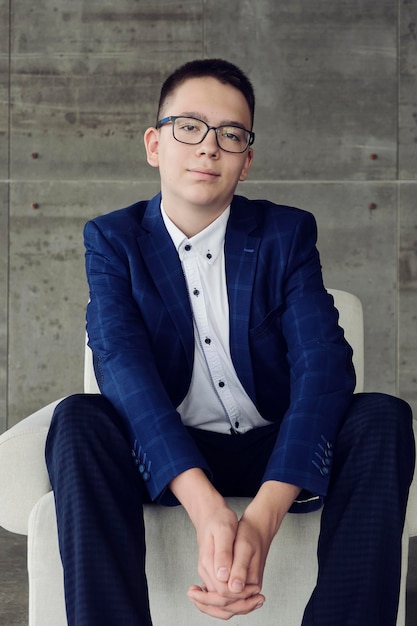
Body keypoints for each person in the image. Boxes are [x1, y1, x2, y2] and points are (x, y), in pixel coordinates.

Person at [46, 58, 415, 625]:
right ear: (154, 143)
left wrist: (262, 520)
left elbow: (324, 367)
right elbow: (121, 365)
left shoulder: (285, 233)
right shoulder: (113, 240)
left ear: (246, 161)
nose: (209, 147)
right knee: (78, 419)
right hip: (173, 453)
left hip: (274, 447)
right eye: (188, 126)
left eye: (231, 135)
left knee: (383, 416)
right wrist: (205, 510)